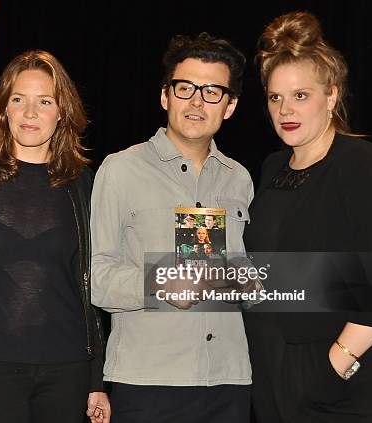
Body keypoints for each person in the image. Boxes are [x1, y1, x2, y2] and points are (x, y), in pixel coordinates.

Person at [91, 33, 255, 423]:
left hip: (228, 378)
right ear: (165, 96)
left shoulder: (239, 179)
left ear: (229, 107)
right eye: (185, 88)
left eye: (213, 91)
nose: (197, 101)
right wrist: (160, 283)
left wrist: (251, 279)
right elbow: (96, 277)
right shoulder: (121, 170)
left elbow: (240, 272)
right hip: (149, 379)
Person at [243, 11, 372, 422]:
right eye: (275, 97)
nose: (285, 110)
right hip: (268, 371)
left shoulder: (363, 164)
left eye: (301, 95)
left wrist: (335, 363)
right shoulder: (272, 168)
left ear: (331, 95)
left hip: (334, 378)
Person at [0, 50, 110, 423]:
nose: (30, 112)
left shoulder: (83, 182)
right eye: (19, 100)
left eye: (44, 101)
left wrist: (96, 378)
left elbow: (88, 283)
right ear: (3, 108)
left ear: (62, 112)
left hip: (67, 365)